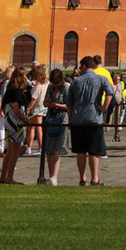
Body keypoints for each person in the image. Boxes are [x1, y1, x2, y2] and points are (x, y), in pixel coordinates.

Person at [67, 55, 110, 185]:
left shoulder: (76, 82)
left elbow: (69, 104)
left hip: (78, 119)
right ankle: (95, 178)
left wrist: (70, 120)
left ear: (84, 66)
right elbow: (110, 93)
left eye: (80, 66)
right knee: (94, 152)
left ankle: (82, 178)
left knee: (80, 151)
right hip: (94, 118)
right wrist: (104, 108)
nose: (79, 69)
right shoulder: (102, 79)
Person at [0, 69, 33, 184]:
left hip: (8, 121)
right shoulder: (18, 92)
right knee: (15, 151)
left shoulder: (9, 91)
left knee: (9, 151)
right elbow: (17, 109)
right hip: (15, 123)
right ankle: (9, 177)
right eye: (24, 75)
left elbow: (3, 108)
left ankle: (3, 177)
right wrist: (26, 119)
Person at [43, 68, 69, 185]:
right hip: (50, 119)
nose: (55, 85)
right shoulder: (50, 87)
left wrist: (56, 105)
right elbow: (44, 102)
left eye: (56, 83)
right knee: (49, 148)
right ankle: (50, 176)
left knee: (57, 148)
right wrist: (47, 103)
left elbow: (68, 105)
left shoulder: (66, 87)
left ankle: (54, 176)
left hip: (61, 120)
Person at [26, 65, 48, 157]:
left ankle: (40, 148)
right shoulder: (47, 84)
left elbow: (34, 99)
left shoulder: (38, 87)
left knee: (37, 128)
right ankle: (29, 147)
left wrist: (28, 108)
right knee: (32, 127)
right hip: (42, 108)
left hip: (37, 108)